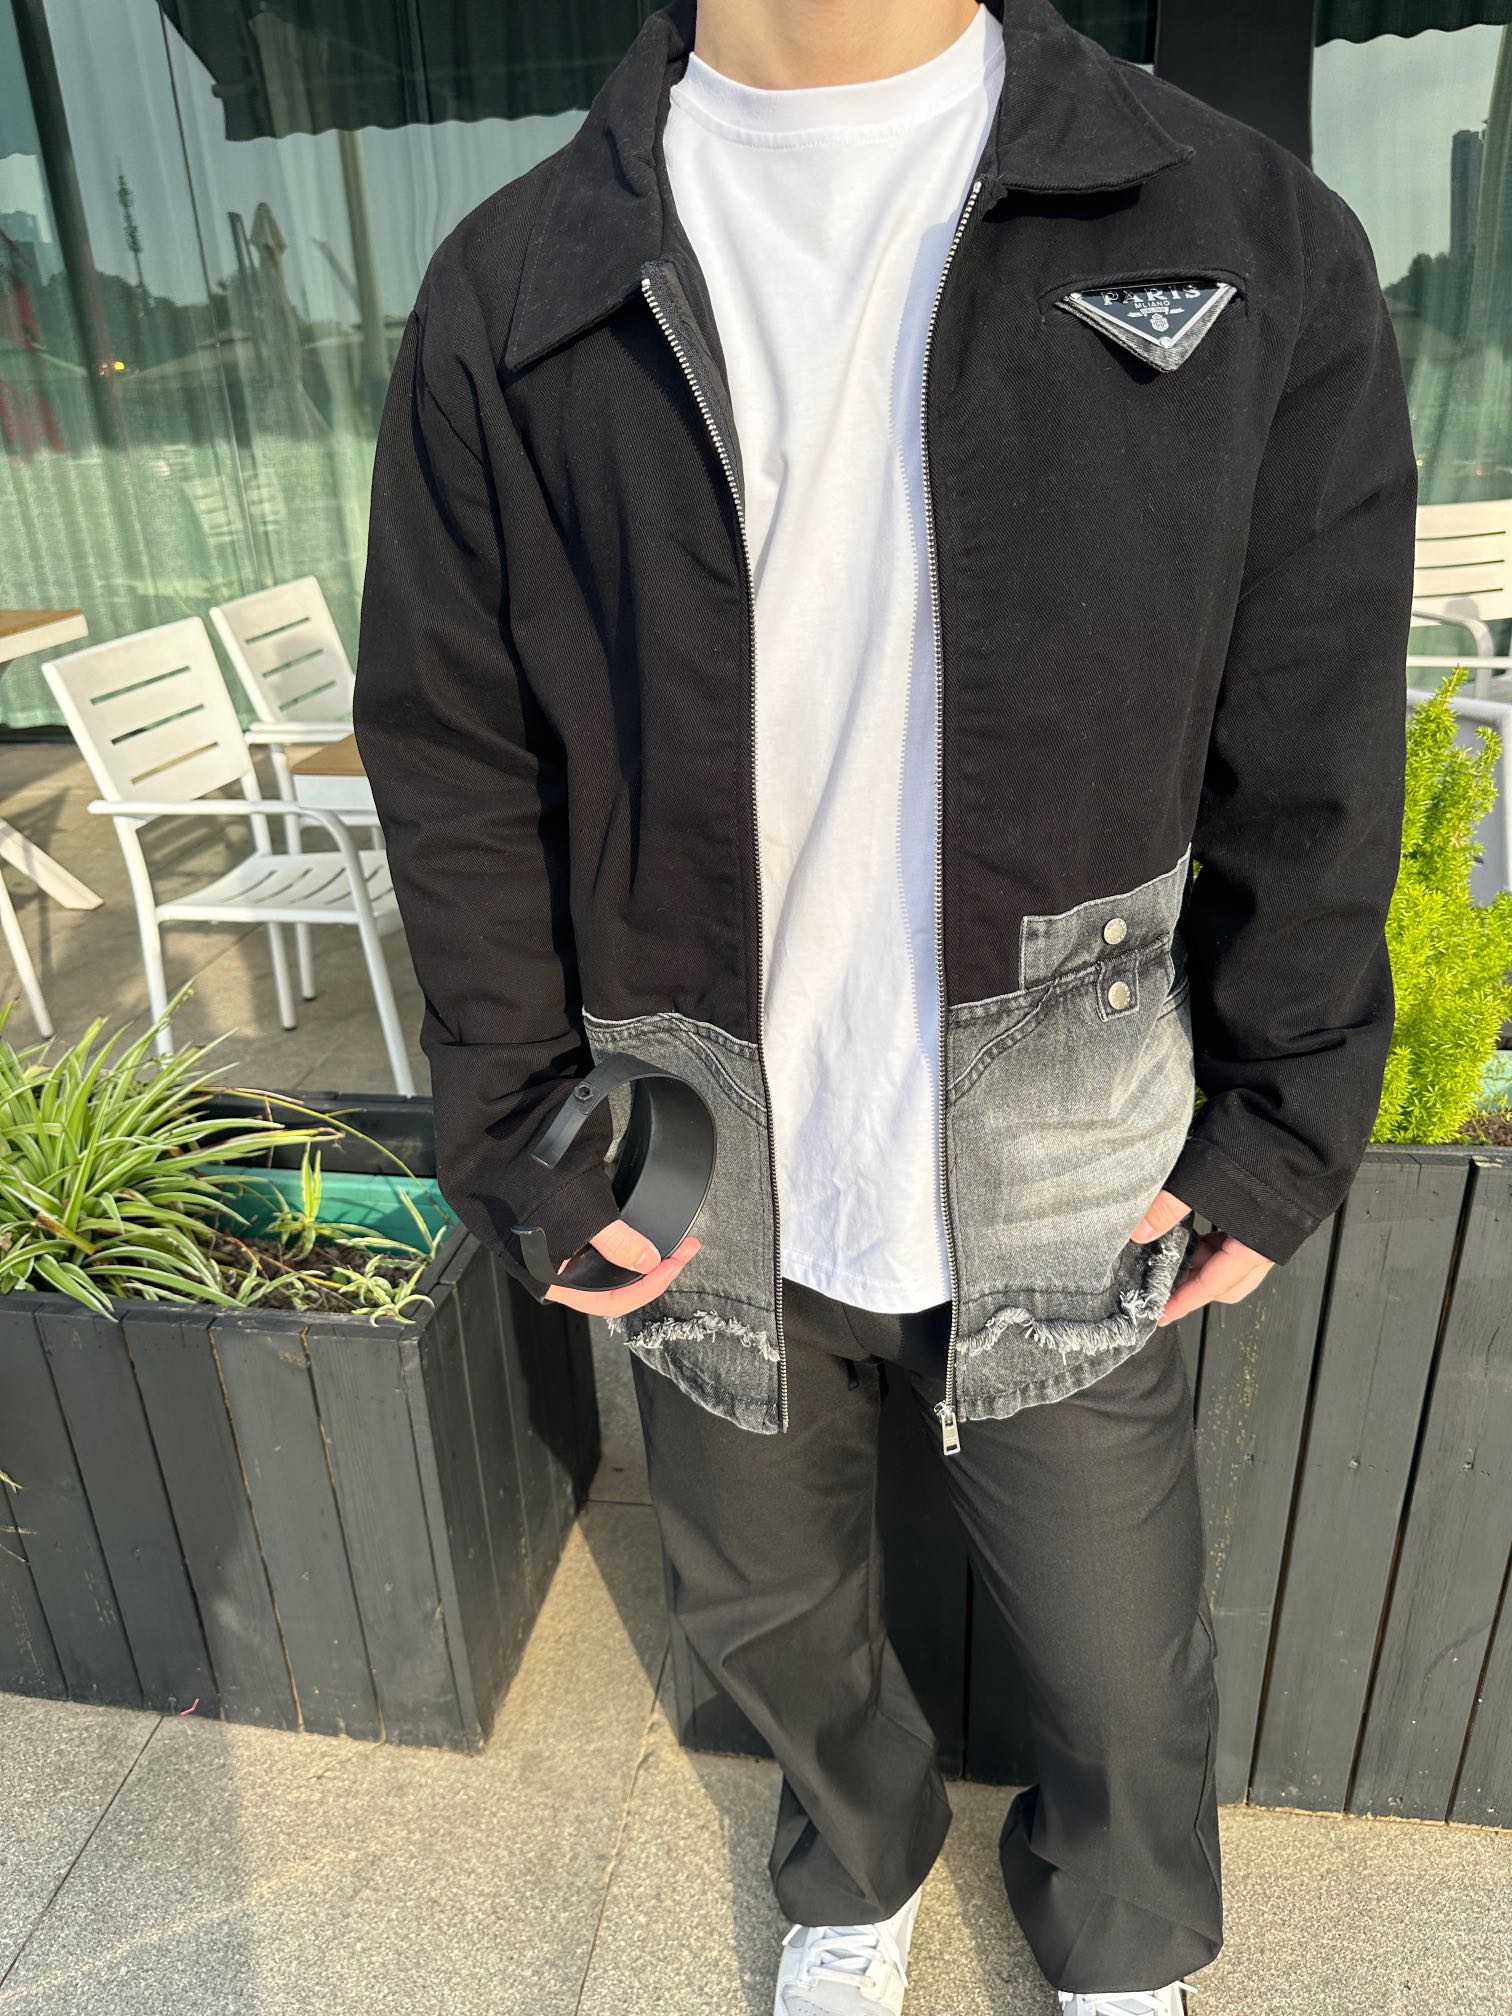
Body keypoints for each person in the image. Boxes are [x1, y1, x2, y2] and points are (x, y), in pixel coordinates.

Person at [352, 1, 1417, 2009]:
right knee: (763, 1599)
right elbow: (454, 747)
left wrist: (1285, 1114)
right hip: (690, 1110)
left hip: (1074, 1103)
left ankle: (1123, 1933)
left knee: (1118, 1639)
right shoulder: (522, 278)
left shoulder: (1232, 224)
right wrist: (513, 1126)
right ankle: (852, 1866)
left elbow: (1313, 716)